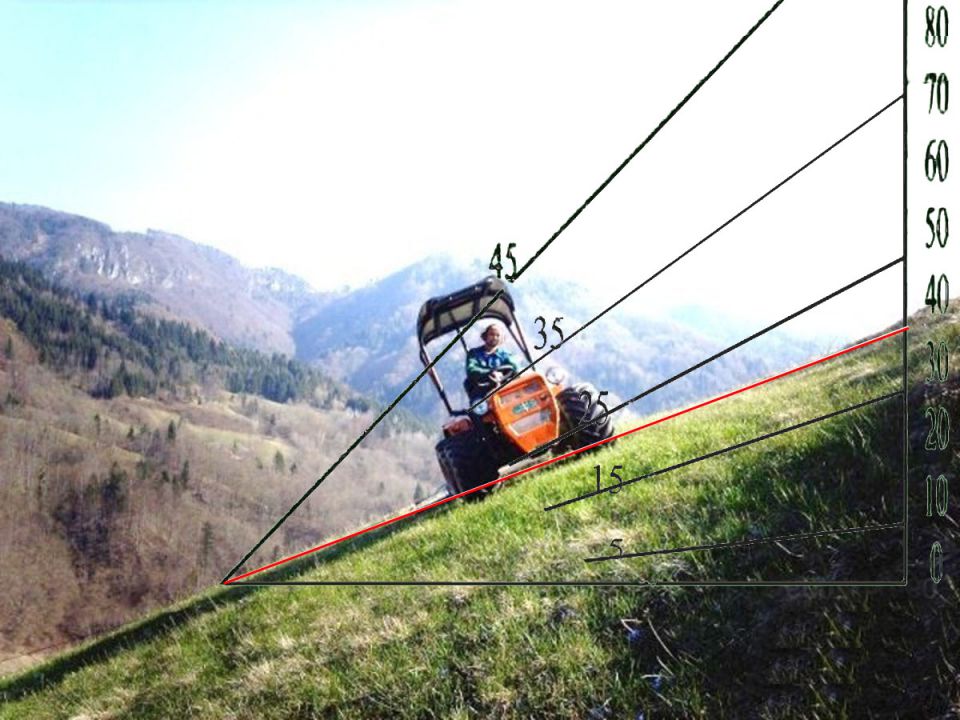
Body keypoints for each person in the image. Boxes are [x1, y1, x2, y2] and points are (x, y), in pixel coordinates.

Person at [465, 323, 520, 402]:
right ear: (485, 336)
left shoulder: (505, 354)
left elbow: (515, 367)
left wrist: (502, 375)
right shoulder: (474, 353)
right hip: (482, 392)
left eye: (498, 335)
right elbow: (471, 369)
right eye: (492, 334)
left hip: (504, 390)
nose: (494, 337)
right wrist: (490, 373)